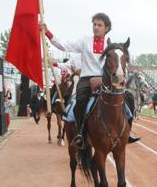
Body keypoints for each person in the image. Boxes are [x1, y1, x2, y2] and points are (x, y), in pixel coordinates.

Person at [42, 12, 139, 148]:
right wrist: (47, 32)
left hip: (106, 80)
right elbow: (64, 45)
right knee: (79, 102)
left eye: (99, 25)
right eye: (94, 24)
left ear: (106, 28)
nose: (96, 27)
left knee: (128, 98)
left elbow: (118, 63)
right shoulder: (84, 40)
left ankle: (127, 132)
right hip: (86, 80)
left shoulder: (110, 44)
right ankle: (81, 134)